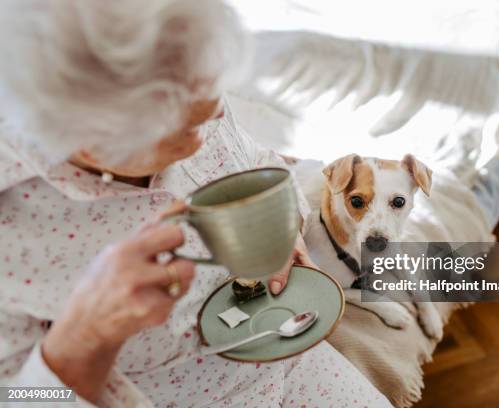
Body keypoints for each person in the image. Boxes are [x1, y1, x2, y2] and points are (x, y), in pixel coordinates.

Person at [0, 0, 391, 406]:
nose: (217, 117)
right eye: (188, 127)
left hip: (277, 343)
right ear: (89, 144)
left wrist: (282, 230)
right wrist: (83, 340)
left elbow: (258, 165)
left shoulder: (190, 87)